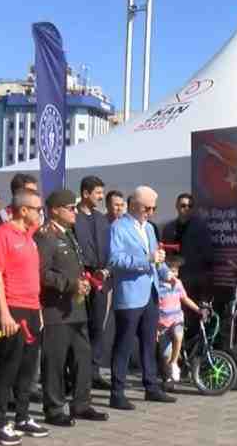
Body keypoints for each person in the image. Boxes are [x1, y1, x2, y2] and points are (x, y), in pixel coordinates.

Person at [36, 189, 109, 427]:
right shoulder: (45, 237)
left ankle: (81, 403)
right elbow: (41, 273)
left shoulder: (68, 234)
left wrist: (84, 282)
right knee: (55, 361)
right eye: (70, 208)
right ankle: (54, 408)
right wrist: (69, 284)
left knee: (82, 356)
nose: (74, 212)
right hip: (56, 309)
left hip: (76, 308)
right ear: (55, 210)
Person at [0, 189, 48, 445]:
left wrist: (39, 312)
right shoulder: (3, 235)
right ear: (23, 210)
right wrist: (3, 313)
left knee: (27, 368)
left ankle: (22, 416)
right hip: (13, 309)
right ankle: (0, 423)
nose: (40, 213)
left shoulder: (28, 235)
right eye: (36, 209)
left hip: (33, 309)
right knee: (8, 367)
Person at [108, 185, 175, 409]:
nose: (151, 212)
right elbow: (115, 260)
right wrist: (146, 259)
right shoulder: (119, 227)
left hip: (151, 292)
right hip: (129, 294)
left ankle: (151, 386)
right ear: (135, 205)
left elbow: (158, 258)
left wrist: (167, 274)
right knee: (124, 344)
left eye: (154, 208)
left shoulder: (149, 228)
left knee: (149, 342)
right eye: (148, 208)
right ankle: (117, 392)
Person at [74, 176, 114, 389]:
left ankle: (94, 372)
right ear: (86, 193)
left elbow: (110, 249)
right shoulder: (73, 217)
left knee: (98, 325)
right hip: (81, 279)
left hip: (102, 279)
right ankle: (76, 373)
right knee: (80, 327)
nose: (101, 197)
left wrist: (107, 270)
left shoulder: (101, 219)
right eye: (98, 193)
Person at [157, 255, 201, 385]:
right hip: (162, 324)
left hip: (177, 318)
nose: (175, 274)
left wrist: (198, 309)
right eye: (172, 270)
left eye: (177, 271)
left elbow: (185, 299)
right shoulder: (158, 285)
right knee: (164, 355)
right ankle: (168, 378)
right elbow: (154, 306)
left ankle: (174, 362)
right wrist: (155, 327)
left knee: (178, 335)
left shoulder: (178, 283)